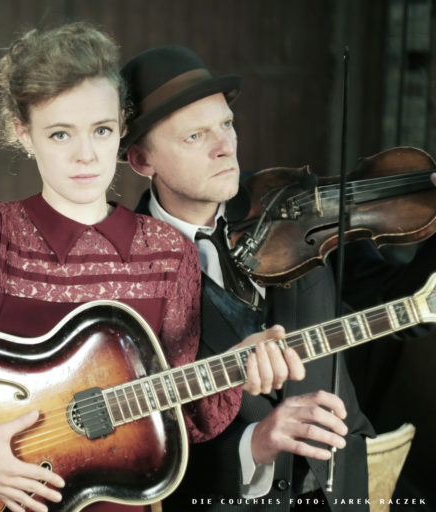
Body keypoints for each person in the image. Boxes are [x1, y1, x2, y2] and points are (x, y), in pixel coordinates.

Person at [0, 23, 303, 512]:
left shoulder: (168, 252)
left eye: (101, 130)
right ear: (24, 134)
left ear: (121, 127)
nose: (86, 155)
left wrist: (238, 367)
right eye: (60, 134)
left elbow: (179, 418)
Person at [120, 45, 436, 511]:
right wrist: (254, 443)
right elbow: (138, 448)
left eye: (226, 124)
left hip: (345, 492)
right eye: (195, 136)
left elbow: (406, 307)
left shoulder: (292, 203)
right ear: (142, 160)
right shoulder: (120, 271)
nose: (225, 146)